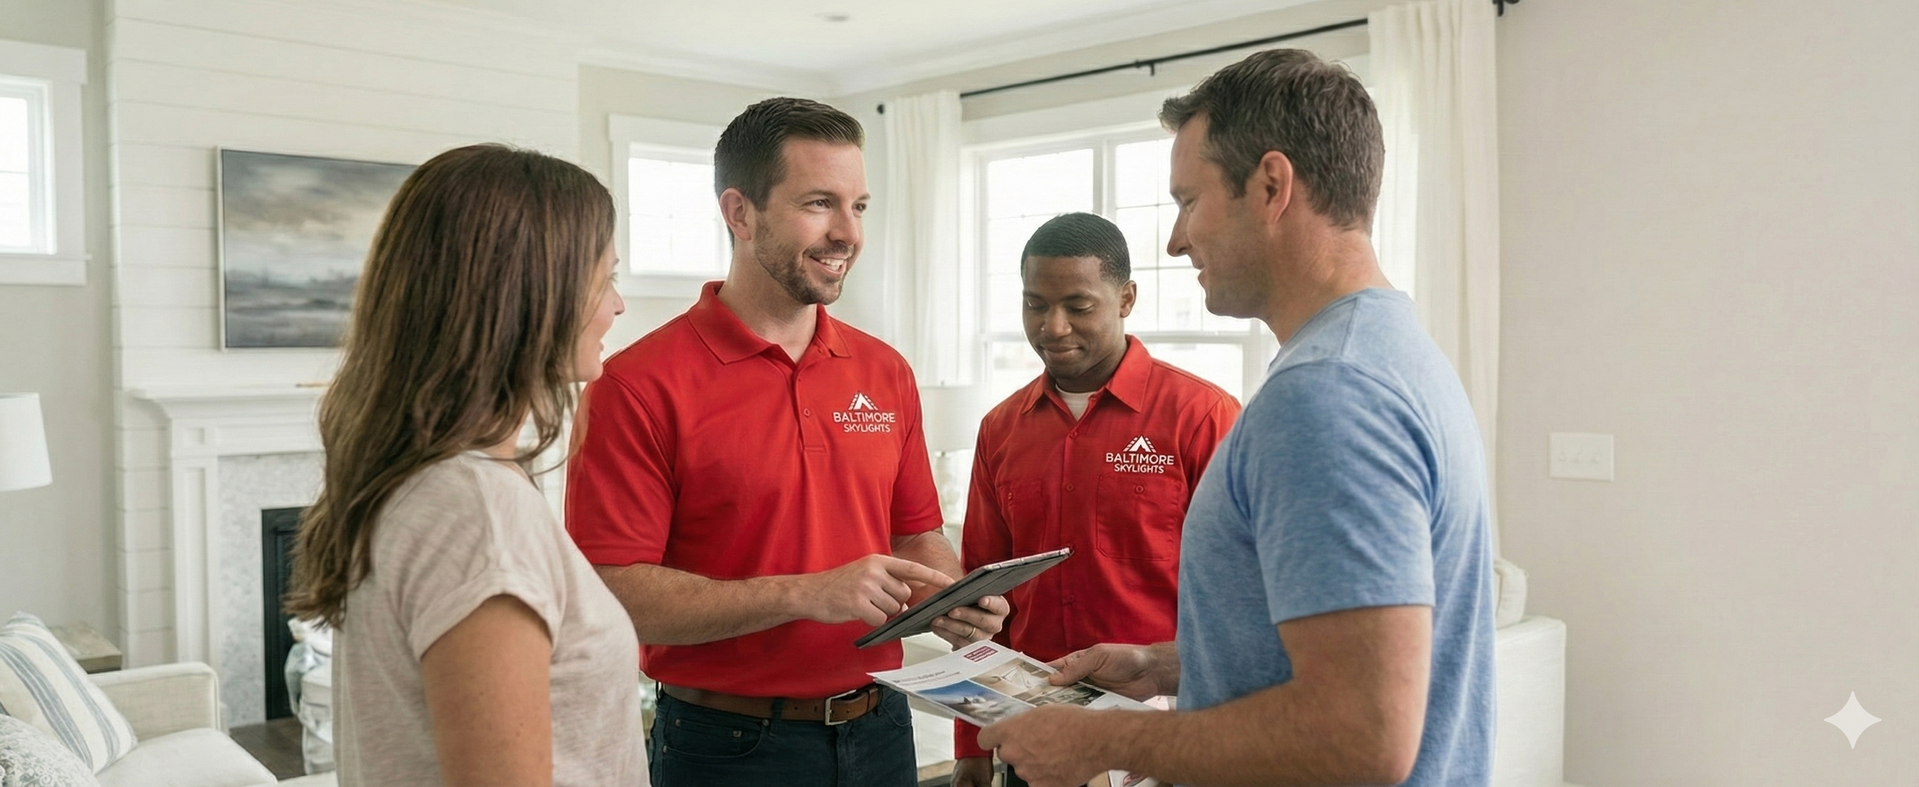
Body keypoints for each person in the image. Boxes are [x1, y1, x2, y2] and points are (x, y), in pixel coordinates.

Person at [979, 48, 1496, 787]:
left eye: (1189, 200)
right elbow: (1335, 647)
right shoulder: (1388, 350)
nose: (1176, 238)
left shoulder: (1327, 395)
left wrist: (1108, 742)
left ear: (1271, 186)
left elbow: (1362, 735)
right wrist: (1160, 663)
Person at [565, 96, 1010, 787]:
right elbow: (613, 591)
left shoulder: (885, 371)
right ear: (740, 213)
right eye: (818, 203)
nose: (847, 233)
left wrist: (950, 595)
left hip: (882, 727)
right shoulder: (636, 385)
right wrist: (806, 593)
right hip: (727, 746)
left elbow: (916, 532)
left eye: (859, 206)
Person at [285, 144, 646, 787]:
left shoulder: (421, 481)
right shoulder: (476, 510)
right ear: (531, 292)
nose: (618, 306)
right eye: (605, 277)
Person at [949, 213, 1240, 787]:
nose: (1052, 328)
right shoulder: (1000, 429)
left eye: (1078, 306)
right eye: (1035, 305)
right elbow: (981, 601)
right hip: (1033, 738)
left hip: (1165, 739)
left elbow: (1241, 600)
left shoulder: (1203, 417)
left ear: (1126, 297)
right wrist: (972, 749)